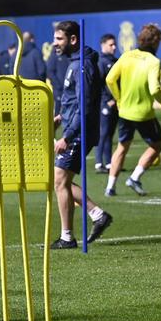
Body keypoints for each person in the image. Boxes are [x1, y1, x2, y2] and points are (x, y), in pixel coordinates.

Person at [50, 20, 113, 249]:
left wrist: (67, 135)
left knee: (59, 180)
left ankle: (68, 237)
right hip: (72, 128)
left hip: (78, 133)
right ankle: (97, 215)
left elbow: (85, 106)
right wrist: (61, 118)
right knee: (60, 180)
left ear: (73, 39)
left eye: (59, 39)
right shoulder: (74, 63)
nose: (54, 43)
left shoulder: (83, 66)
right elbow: (73, 102)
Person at [104, 24, 161, 197]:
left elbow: (110, 79)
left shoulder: (126, 56)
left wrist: (119, 99)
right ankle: (134, 178)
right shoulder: (154, 61)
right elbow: (155, 89)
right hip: (143, 114)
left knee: (121, 147)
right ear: (155, 43)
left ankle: (110, 187)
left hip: (124, 112)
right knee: (157, 145)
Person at [95, 33, 119, 174]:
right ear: (103, 45)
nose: (114, 47)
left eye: (114, 44)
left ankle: (109, 163)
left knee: (110, 133)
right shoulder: (101, 62)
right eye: (111, 44)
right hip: (105, 103)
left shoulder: (115, 61)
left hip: (115, 102)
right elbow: (98, 84)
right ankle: (99, 163)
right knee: (103, 133)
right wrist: (106, 101)